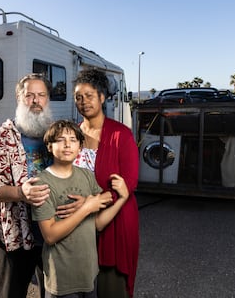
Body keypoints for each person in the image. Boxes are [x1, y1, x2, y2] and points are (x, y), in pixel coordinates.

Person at [0, 73, 83, 298]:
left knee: (55, 291)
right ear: (19, 98)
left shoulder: (56, 134)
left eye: (41, 95)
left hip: (52, 233)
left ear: (47, 99)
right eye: (29, 95)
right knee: (12, 293)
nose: (36, 101)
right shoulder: (2, 139)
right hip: (15, 235)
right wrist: (19, 192)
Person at [31, 120, 130, 298]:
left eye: (73, 140)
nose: (68, 144)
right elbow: (50, 236)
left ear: (80, 147)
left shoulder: (86, 176)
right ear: (49, 146)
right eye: (60, 139)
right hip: (62, 280)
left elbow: (98, 224)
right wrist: (86, 208)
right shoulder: (41, 183)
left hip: (89, 274)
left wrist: (122, 198)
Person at [70, 69, 140, 298]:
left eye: (89, 95)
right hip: (79, 223)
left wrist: (92, 203)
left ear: (102, 97)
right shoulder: (73, 134)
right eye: (78, 97)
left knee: (111, 288)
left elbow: (129, 183)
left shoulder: (121, 135)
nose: (83, 102)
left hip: (114, 222)